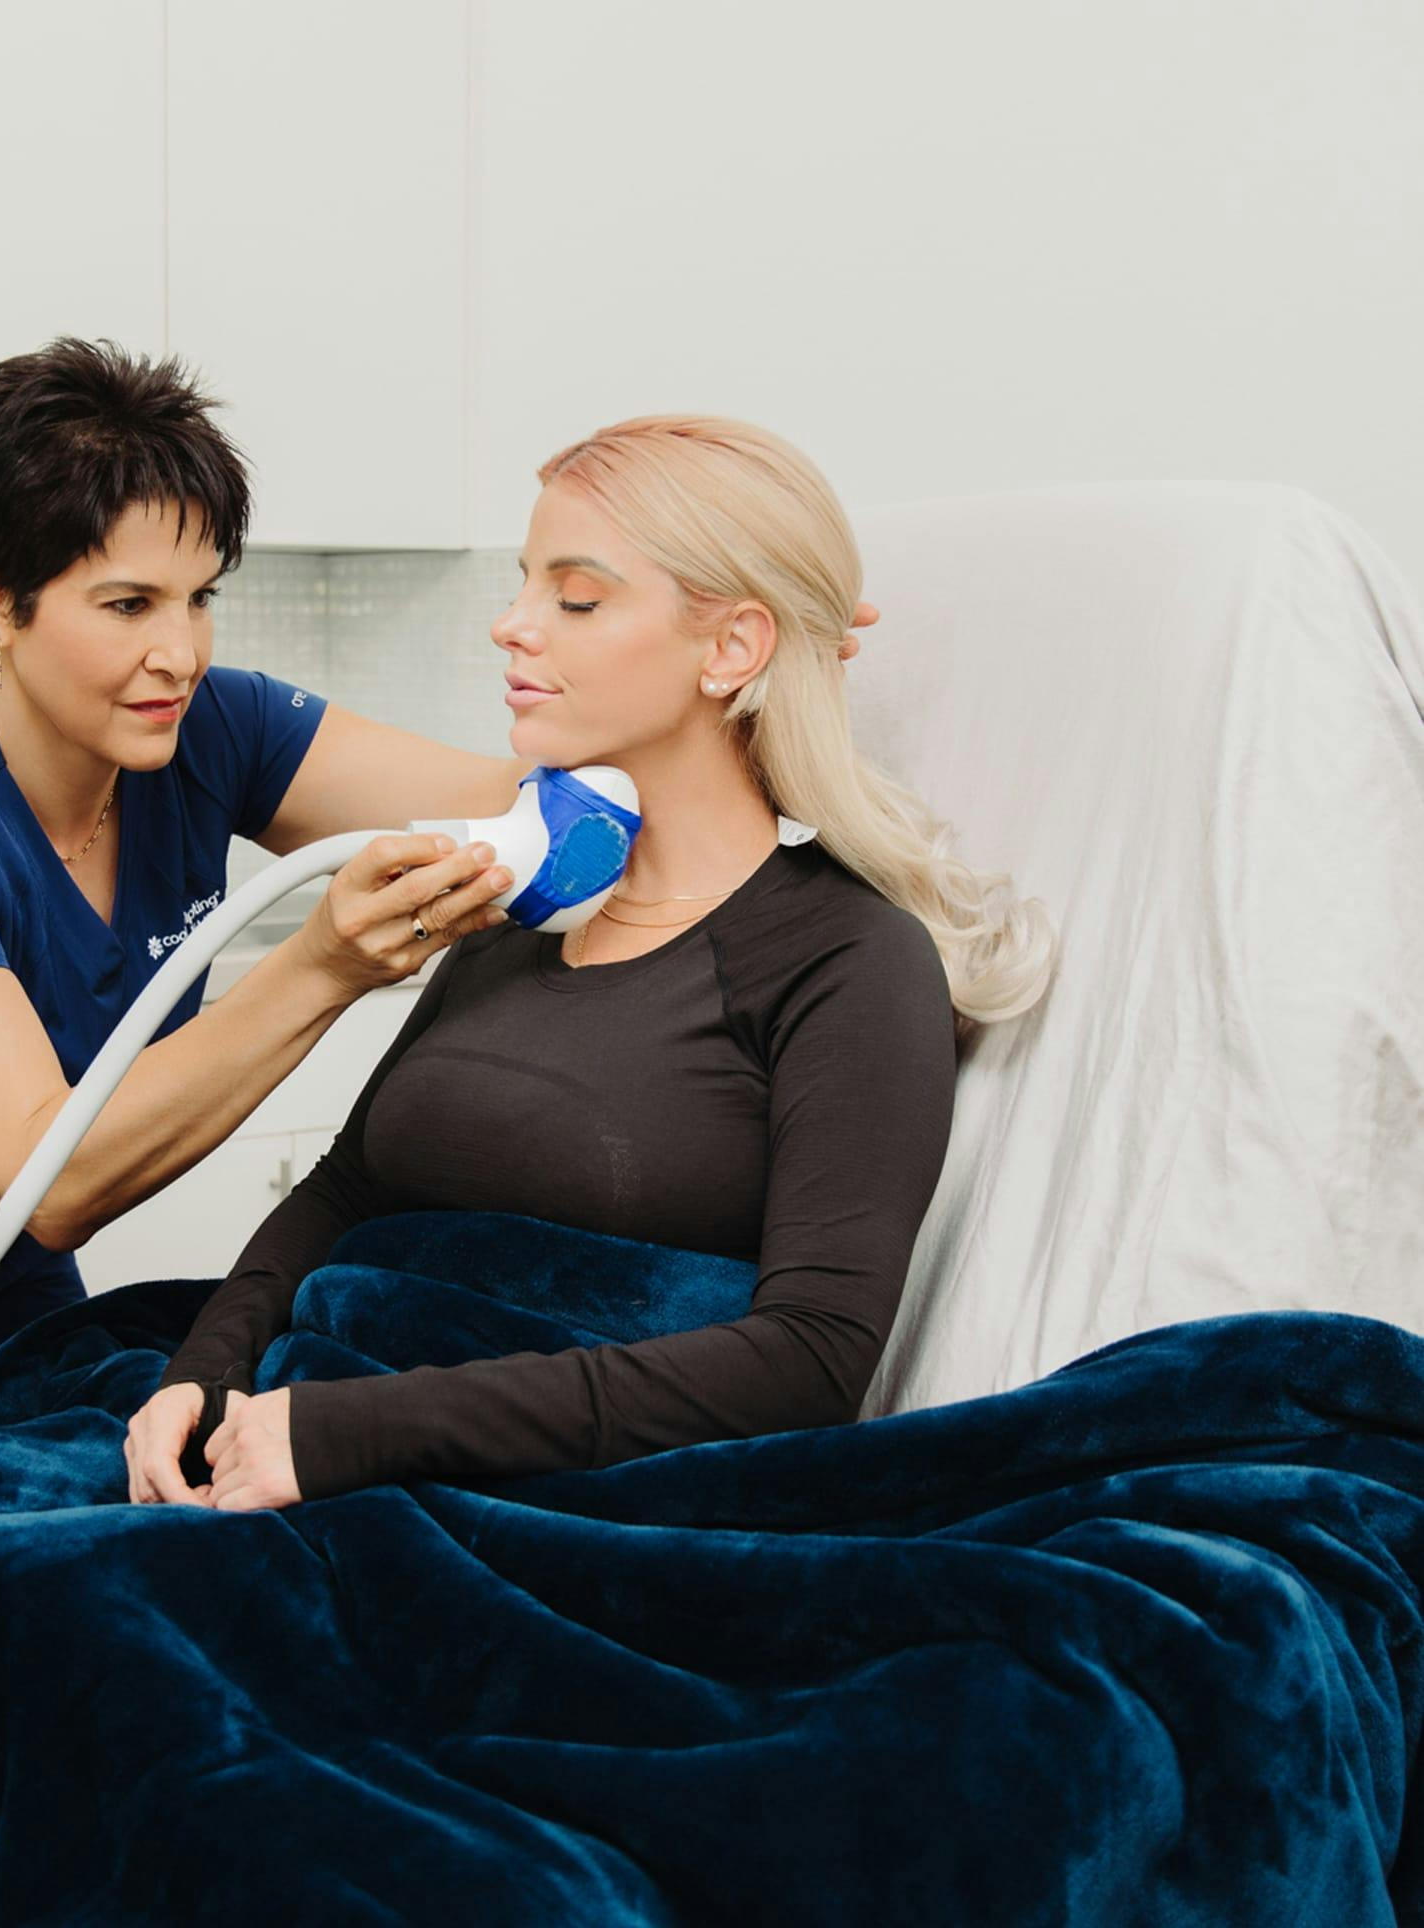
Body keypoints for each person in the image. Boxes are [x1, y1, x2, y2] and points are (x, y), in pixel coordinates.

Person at [0, 333, 889, 1546]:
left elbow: (528, 809)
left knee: (28, 1562)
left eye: (202, 599)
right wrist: (321, 969)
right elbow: (49, 1178)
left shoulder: (212, 733)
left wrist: (782, 665)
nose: (179, 653)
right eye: (127, 605)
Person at [127, 412, 1058, 1511]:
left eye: (574, 597)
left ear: (732, 648)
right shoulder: (515, 915)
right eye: (525, 585)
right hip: (304, 1431)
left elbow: (810, 1357)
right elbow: (345, 1188)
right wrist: (200, 1373)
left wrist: (358, 1433)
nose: (510, 626)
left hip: (530, 1503)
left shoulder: (848, 961)